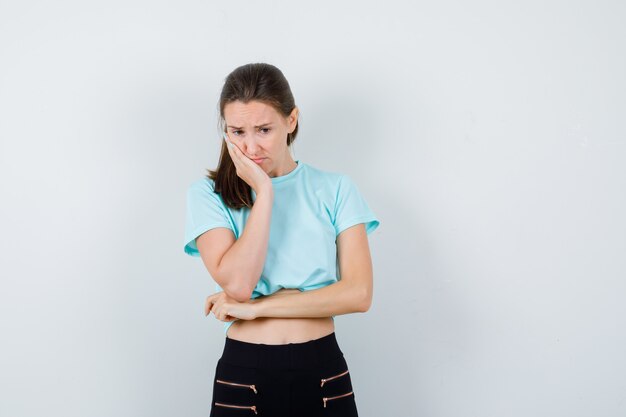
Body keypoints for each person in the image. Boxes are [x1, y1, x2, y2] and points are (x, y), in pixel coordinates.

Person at [183, 63, 380, 417]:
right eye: (237, 131)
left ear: (291, 121)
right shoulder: (208, 195)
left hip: (322, 369)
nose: (250, 146)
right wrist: (264, 192)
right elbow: (240, 284)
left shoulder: (335, 189)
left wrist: (259, 308)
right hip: (245, 373)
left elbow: (358, 294)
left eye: (263, 129)